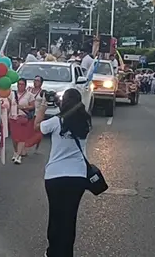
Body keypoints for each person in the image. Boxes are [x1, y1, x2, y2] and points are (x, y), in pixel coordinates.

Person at [34, 88, 91, 257]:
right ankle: (67, 253)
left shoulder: (56, 121)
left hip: (55, 175)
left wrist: (43, 107)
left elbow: (37, 126)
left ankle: (53, 252)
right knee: (69, 217)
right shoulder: (85, 122)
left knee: (56, 215)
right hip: (78, 176)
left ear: (64, 102)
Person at [10, 79, 36, 164]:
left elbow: (33, 106)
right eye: (19, 84)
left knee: (21, 137)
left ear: (25, 85)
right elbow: (9, 104)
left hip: (23, 118)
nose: (20, 86)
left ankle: (18, 155)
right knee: (14, 137)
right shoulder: (12, 94)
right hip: (13, 117)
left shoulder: (29, 95)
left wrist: (24, 107)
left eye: (22, 84)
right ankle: (16, 152)